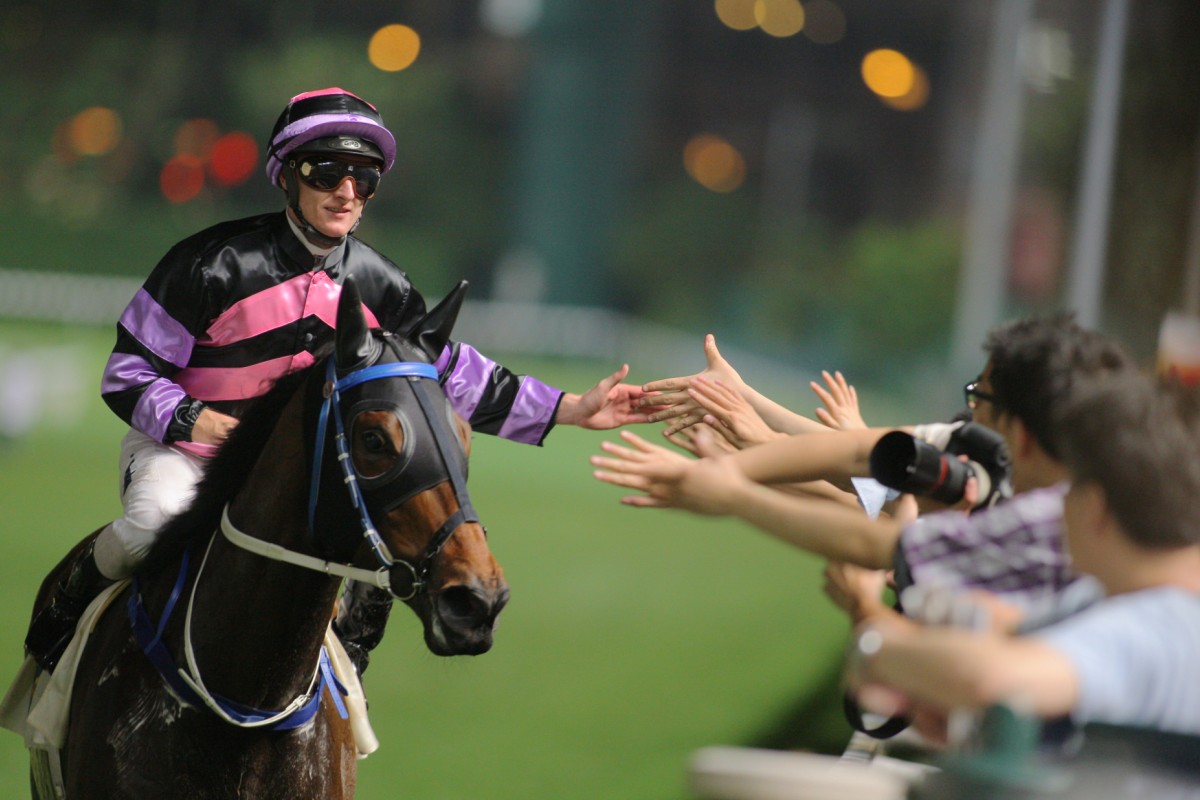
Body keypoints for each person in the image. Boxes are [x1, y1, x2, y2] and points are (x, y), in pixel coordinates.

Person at [25, 87, 659, 674]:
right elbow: (128, 374)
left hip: (307, 471)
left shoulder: (383, 285)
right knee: (152, 526)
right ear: (288, 176)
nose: (347, 191)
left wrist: (573, 408)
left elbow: (449, 372)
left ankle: (337, 708)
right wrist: (199, 422)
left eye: (365, 178)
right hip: (186, 454)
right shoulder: (209, 264)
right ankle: (68, 613)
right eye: (327, 172)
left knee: (372, 580)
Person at [592, 315, 1133, 614]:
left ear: (1021, 430)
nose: (969, 408)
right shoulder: (990, 453)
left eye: (980, 396)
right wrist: (747, 415)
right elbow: (863, 456)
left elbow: (879, 536)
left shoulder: (1046, 525)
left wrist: (738, 487)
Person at [846, 371, 1200, 739]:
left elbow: (993, 679)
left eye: (1071, 486)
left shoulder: (1152, 625)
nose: (1057, 503)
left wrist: (874, 639)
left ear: (1095, 508)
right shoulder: (1117, 601)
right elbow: (1006, 631)